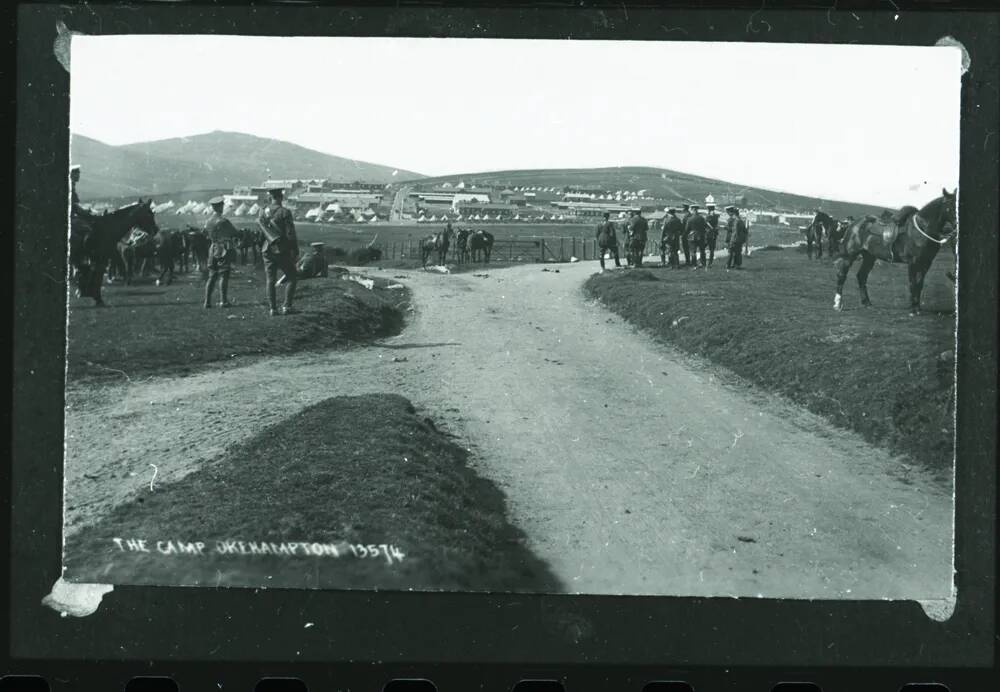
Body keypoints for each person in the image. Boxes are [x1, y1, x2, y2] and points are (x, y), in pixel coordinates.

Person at [258, 187, 299, 316]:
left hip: (266, 248)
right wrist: (295, 249)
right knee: (292, 276)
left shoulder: (262, 211)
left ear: (271, 197)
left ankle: (272, 309)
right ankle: (287, 306)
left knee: (270, 279)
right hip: (281, 249)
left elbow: (262, 233)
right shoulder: (285, 212)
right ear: (281, 197)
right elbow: (290, 233)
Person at [203, 196, 239, 308]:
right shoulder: (223, 221)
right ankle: (223, 301)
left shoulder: (208, 221)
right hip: (223, 249)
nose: (223, 207)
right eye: (222, 205)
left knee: (212, 276)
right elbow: (235, 233)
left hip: (212, 248)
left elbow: (205, 234)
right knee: (224, 275)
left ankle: (207, 302)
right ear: (219, 207)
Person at [684, 204, 709, 268]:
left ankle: (694, 264)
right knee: (702, 250)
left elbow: (687, 229)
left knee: (693, 251)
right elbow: (705, 227)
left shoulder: (690, 219)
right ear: (697, 210)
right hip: (701, 235)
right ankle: (703, 263)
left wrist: (685, 235)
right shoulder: (702, 218)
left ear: (692, 210)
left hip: (692, 236)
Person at [704, 202, 720, 267]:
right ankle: (710, 263)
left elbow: (705, 224)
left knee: (703, 247)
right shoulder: (716, 217)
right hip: (714, 234)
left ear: (708, 209)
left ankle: (704, 262)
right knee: (712, 249)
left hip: (708, 234)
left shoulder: (708, 217)